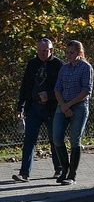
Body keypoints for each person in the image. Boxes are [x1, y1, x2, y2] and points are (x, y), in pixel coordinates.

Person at [13, 38, 64, 182]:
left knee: (55, 139)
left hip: (51, 108)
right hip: (33, 108)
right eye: (39, 51)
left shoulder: (58, 65)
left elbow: (62, 88)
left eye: (45, 51)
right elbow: (25, 87)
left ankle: (59, 169)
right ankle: (24, 173)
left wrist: (50, 95)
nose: (42, 53)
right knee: (29, 140)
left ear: (51, 50)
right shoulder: (32, 64)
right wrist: (20, 107)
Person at [53, 40, 93, 185]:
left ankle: (72, 174)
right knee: (57, 137)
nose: (69, 55)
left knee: (74, 138)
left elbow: (86, 90)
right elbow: (57, 88)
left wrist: (69, 105)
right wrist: (63, 106)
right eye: (67, 53)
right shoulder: (64, 68)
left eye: (72, 53)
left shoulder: (86, 68)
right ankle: (64, 168)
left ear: (79, 53)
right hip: (63, 105)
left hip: (79, 106)